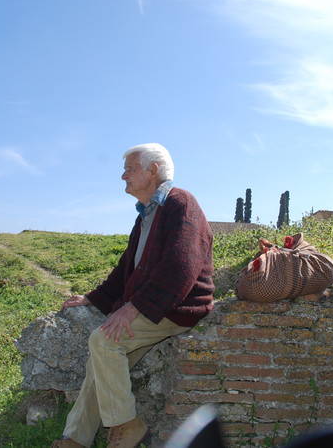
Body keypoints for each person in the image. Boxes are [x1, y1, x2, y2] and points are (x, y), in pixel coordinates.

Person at [52, 143, 215, 448]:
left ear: (153, 170)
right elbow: (127, 268)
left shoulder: (181, 203)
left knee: (103, 341)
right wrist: (94, 298)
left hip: (176, 307)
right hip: (155, 307)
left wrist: (134, 308)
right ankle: (75, 439)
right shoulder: (147, 214)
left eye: (130, 168)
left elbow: (181, 267)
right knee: (100, 362)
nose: (123, 175)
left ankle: (128, 427)